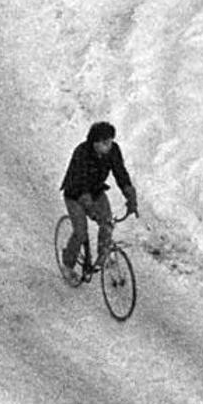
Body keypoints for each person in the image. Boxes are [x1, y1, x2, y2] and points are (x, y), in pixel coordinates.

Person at [59, 119, 138, 282]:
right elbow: (79, 182)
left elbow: (120, 173)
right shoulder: (82, 153)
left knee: (107, 223)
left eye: (110, 141)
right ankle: (68, 264)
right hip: (75, 195)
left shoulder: (113, 151)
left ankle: (103, 256)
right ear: (94, 143)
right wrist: (90, 209)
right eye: (104, 142)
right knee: (80, 233)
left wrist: (130, 195)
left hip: (96, 191)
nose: (108, 146)